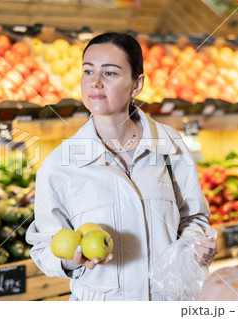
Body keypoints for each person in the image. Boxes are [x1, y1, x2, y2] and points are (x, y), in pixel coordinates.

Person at [25, 32, 217, 301]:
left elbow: (194, 217)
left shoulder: (169, 145)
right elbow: (44, 244)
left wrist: (195, 246)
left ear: (136, 84)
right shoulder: (60, 164)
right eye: (88, 71)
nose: (95, 82)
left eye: (110, 73)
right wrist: (70, 262)